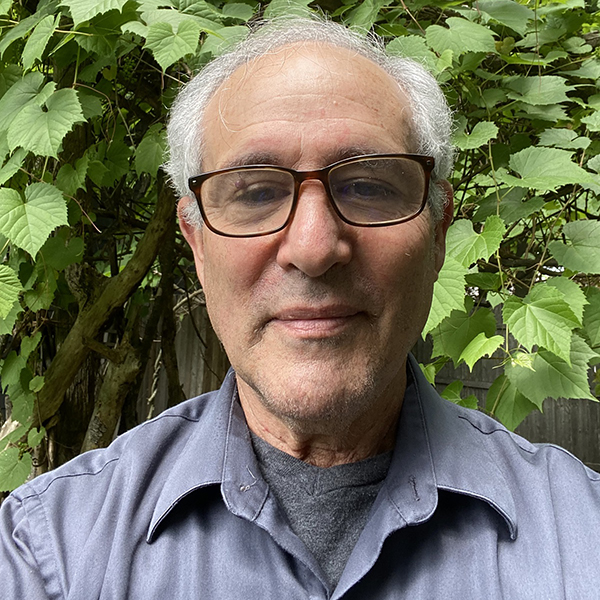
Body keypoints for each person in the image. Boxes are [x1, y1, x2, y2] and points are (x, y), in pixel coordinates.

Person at [1, 16, 599, 600]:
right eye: (256, 192)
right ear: (196, 245)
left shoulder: (584, 540)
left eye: (366, 185)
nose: (314, 248)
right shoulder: (47, 553)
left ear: (439, 233)